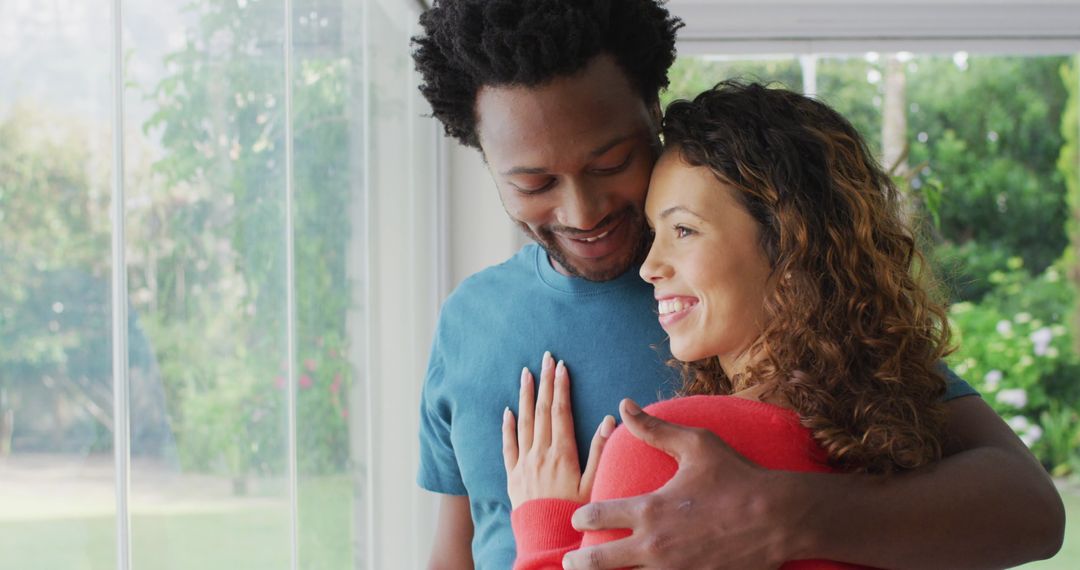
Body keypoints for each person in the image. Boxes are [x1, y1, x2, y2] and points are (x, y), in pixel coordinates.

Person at [412, 1, 1065, 568]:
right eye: (533, 184)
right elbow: (454, 552)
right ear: (485, 160)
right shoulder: (468, 325)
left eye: (611, 162)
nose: (583, 213)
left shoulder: (754, 295)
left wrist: (784, 514)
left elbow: (1030, 511)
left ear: (652, 111)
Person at [503, 80, 973, 569]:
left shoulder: (670, 453)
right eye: (654, 232)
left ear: (790, 251)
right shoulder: (911, 444)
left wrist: (548, 525)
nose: (649, 266)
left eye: (683, 230)